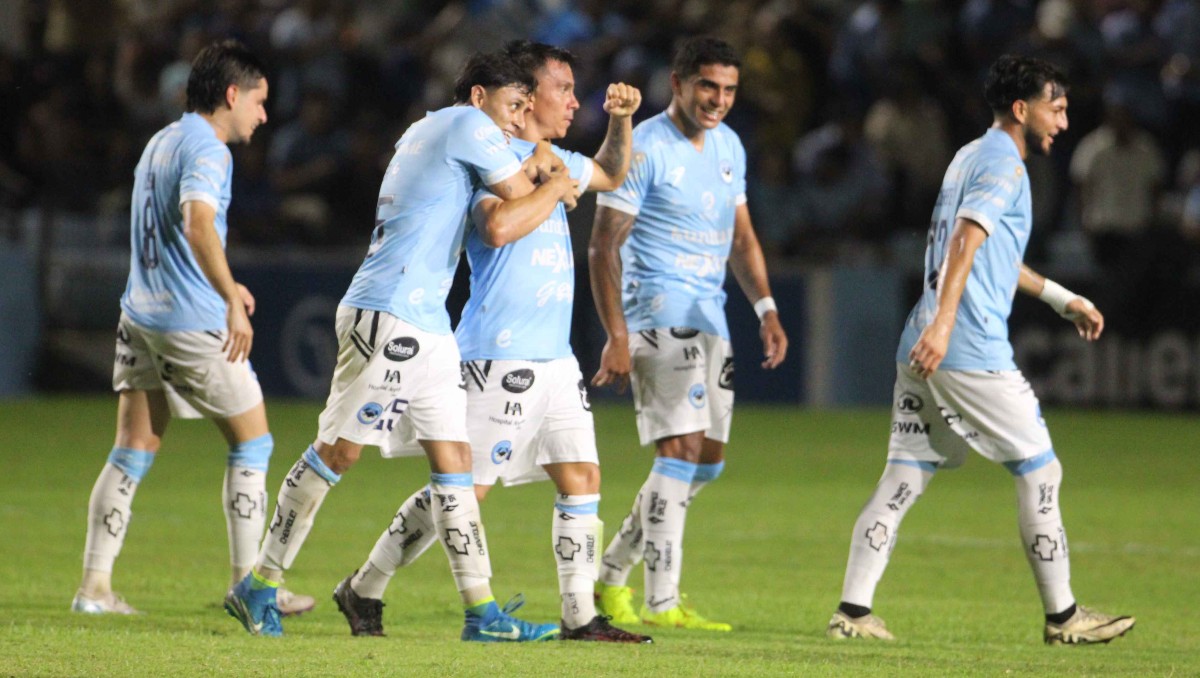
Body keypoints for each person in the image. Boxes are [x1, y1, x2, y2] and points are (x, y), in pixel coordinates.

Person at [225, 49, 579, 639]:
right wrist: (559, 181)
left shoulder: (430, 127)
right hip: (389, 313)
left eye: (524, 107)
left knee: (455, 465)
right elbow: (519, 201)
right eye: (513, 105)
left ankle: (482, 614)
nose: (518, 120)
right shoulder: (469, 126)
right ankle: (258, 583)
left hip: (426, 322)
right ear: (478, 97)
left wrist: (542, 168)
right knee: (337, 451)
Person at [329, 40, 651, 644]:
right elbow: (497, 226)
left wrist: (622, 120)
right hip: (498, 354)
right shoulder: (488, 155)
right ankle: (365, 585)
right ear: (525, 98)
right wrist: (553, 186)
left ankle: (580, 617)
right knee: (461, 490)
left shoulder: (554, 157)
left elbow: (610, 172)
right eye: (563, 90)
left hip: (554, 356)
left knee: (581, 475)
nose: (573, 101)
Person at [825, 54, 1135, 645]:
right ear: (1023, 109)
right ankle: (1065, 617)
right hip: (964, 345)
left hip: (922, 337)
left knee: (904, 476)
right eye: (1058, 108)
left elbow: (987, 252)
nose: (1064, 122)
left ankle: (853, 612)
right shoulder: (1004, 165)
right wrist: (944, 327)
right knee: (1041, 468)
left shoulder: (969, 154)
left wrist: (1062, 297)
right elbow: (966, 241)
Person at [72, 39, 315, 618]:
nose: (262, 114)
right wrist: (228, 297)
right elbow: (197, 221)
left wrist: (223, 283)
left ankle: (94, 589)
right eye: (258, 101)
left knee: (133, 447)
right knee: (253, 440)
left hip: (140, 314)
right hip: (187, 323)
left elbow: (166, 232)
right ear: (232, 95)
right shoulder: (211, 151)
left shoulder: (162, 140)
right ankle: (248, 588)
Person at [589, 36, 789, 632]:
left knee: (706, 463)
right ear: (676, 83)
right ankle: (662, 601)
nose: (718, 100)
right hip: (658, 312)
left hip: (711, 317)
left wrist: (768, 308)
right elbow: (603, 244)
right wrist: (617, 334)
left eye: (728, 90)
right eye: (707, 86)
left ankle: (610, 576)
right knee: (678, 451)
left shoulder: (729, 146)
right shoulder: (643, 147)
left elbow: (741, 237)